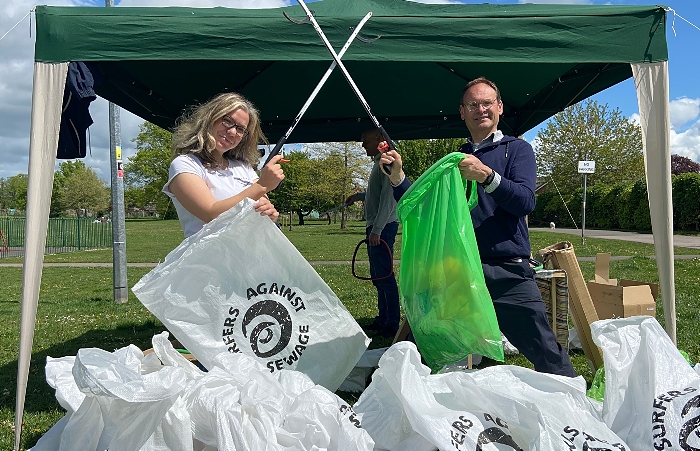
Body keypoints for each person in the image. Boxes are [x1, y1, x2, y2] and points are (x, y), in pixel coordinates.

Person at [378, 77, 577, 377]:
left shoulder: (518, 150)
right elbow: (422, 204)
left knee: (545, 350)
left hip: (507, 271)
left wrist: (486, 176)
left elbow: (525, 202)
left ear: (499, 108)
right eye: (473, 104)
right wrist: (397, 177)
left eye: (487, 103)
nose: (480, 109)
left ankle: (574, 408)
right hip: (457, 272)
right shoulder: (453, 161)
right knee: (421, 344)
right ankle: (399, 401)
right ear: (462, 112)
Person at [163, 92, 285, 238]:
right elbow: (211, 214)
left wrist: (269, 214)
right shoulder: (186, 164)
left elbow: (262, 205)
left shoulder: (243, 167)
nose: (232, 131)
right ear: (210, 118)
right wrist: (262, 185)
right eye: (227, 120)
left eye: (240, 129)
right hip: (208, 258)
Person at [347, 128, 401, 338]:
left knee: (385, 276)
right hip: (379, 226)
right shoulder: (379, 164)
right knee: (378, 276)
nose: (363, 145)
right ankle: (383, 318)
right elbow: (377, 193)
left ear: (380, 139)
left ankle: (391, 323)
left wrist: (377, 230)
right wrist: (360, 195)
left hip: (383, 227)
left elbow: (389, 200)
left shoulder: (387, 162)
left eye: (365, 140)